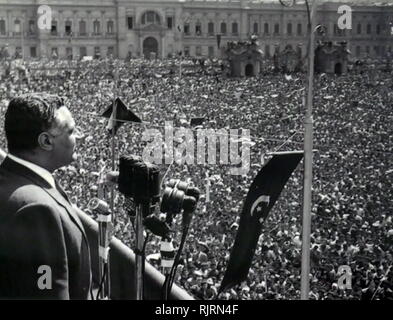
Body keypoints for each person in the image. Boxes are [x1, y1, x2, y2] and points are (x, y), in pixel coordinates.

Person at [0, 93, 92, 299]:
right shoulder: (36, 208)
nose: (79, 137)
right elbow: (47, 290)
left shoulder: (11, 179)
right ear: (46, 141)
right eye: (71, 131)